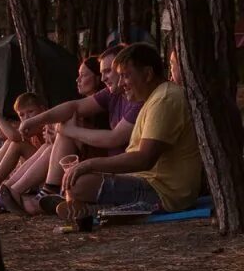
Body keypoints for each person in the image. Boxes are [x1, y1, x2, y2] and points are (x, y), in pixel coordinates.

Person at [41, 43, 203, 224]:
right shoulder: (153, 97)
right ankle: (95, 209)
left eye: (126, 76)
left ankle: (93, 208)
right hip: (147, 182)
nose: (121, 83)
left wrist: (90, 164)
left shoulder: (165, 99)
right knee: (75, 182)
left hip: (163, 192)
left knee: (79, 184)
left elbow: (144, 159)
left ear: (148, 74)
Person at [2, 45, 142, 216]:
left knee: (75, 180)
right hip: (106, 162)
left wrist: (67, 130)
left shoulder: (137, 99)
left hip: (121, 168)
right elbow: (74, 106)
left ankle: (44, 191)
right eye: (102, 72)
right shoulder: (112, 94)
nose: (104, 77)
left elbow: (114, 138)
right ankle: (22, 190)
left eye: (108, 72)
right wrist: (37, 120)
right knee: (64, 128)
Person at [0, 57, 103, 211]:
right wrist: (57, 137)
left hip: (91, 161)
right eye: (78, 75)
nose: (77, 79)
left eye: (84, 75)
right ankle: (9, 190)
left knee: (50, 142)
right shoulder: (87, 104)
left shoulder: (102, 105)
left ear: (98, 78)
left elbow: (95, 140)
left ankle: (20, 191)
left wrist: (60, 134)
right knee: (49, 145)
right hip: (74, 160)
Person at [0, 92, 47, 191]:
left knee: (18, 144)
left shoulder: (44, 124)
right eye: (22, 115)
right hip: (37, 167)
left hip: (47, 170)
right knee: (9, 142)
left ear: (43, 109)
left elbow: (14, 136)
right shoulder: (29, 127)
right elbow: (3, 135)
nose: (27, 117)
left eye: (30, 111)